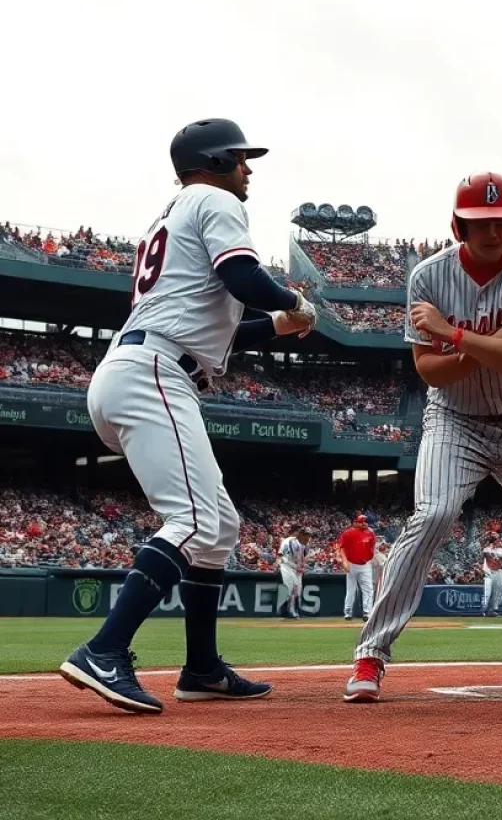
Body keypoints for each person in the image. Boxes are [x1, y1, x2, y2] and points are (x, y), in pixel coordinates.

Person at [59, 119, 316, 714]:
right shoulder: (214, 198)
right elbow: (244, 277)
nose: (248, 169)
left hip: (145, 366)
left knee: (219, 525)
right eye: (241, 159)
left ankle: (200, 668)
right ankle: (104, 650)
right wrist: (295, 302)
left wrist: (279, 324)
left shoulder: (175, 212)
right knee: (194, 519)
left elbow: (217, 327)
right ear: (216, 160)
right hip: (154, 372)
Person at [345, 173, 502, 702]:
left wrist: (453, 334)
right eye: (481, 223)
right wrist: (484, 344)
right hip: (454, 420)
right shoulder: (428, 277)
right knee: (433, 514)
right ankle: (371, 653)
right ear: (459, 225)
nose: (493, 231)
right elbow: (431, 372)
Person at [338, 515, 376, 621]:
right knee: (351, 590)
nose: (364, 524)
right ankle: (348, 612)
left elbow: (371, 549)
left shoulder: (371, 533)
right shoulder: (348, 533)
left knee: (368, 589)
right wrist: (344, 561)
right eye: (362, 522)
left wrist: (369, 560)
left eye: (366, 522)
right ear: (357, 522)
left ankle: (367, 612)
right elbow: (342, 548)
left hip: (365, 565)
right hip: (351, 564)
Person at [278, 525, 310, 620]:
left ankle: (296, 611)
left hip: (297, 570)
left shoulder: (303, 543)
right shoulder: (287, 541)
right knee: (290, 590)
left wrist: (302, 566)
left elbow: (303, 556)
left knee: (298, 591)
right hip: (288, 568)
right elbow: (281, 555)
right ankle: (290, 611)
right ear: (295, 532)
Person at [481, 533, 502, 617]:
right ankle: (484, 609)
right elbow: (487, 557)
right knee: (488, 592)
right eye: (496, 539)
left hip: (499, 572)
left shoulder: (501, 550)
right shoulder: (486, 549)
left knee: (497, 592)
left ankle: (493, 610)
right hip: (489, 572)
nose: (498, 540)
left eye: (497, 539)